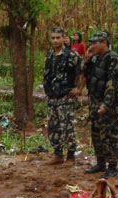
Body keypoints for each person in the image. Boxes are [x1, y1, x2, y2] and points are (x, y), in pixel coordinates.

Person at [83, 31, 118, 178]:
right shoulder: (97, 59)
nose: (92, 45)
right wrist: (87, 59)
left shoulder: (112, 59)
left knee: (109, 135)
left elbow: (112, 83)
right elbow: (87, 76)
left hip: (108, 104)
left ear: (104, 43)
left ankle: (112, 166)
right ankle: (100, 163)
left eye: (95, 43)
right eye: (91, 42)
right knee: (96, 134)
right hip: (95, 101)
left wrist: (106, 104)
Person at [43, 26, 83, 165]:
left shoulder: (71, 55)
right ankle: (58, 154)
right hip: (52, 97)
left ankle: (71, 156)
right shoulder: (50, 55)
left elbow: (82, 69)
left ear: (63, 37)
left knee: (66, 126)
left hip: (65, 97)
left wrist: (79, 89)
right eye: (53, 38)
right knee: (53, 127)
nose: (55, 40)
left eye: (58, 38)